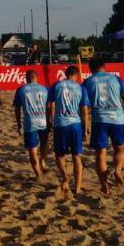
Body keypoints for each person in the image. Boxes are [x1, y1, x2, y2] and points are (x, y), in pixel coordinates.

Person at [83, 57, 124, 195]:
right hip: (117, 118)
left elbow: (84, 107)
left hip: (99, 119)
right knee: (119, 148)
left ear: (90, 68)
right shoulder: (116, 79)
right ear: (104, 66)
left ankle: (104, 185)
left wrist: (85, 126)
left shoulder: (88, 82)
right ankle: (117, 170)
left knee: (100, 153)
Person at [47, 66, 90, 196]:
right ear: (76, 75)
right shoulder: (81, 87)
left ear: (66, 74)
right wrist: (85, 129)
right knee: (76, 156)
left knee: (60, 155)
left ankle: (64, 177)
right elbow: (84, 111)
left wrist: (49, 121)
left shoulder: (56, 85)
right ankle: (77, 187)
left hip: (60, 124)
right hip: (75, 124)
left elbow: (49, 105)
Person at [12, 70, 49, 179]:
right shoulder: (45, 89)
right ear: (37, 78)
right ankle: (43, 161)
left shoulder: (21, 90)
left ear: (26, 78)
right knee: (44, 143)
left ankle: (39, 175)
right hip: (43, 120)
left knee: (33, 150)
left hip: (30, 122)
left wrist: (19, 124)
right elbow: (49, 106)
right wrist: (49, 120)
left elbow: (17, 109)